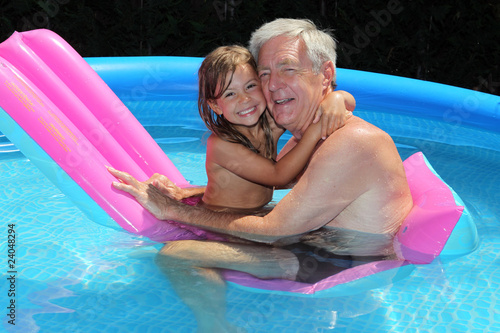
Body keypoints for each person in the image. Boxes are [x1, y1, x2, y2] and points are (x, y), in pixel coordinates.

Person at [109, 18, 413, 333]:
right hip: (314, 240)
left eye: (288, 69)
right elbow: (259, 185)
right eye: (264, 74)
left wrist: (175, 210)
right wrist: (186, 195)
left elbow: (272, 230)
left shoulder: (352, 141)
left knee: (176, 255)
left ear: (326, 75)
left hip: (333, 262)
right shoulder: (313, 129)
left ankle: (216, 327)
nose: (273, 85)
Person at [162, 44, 355, 212]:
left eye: (250, 86)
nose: (244, 99)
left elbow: (347, 103)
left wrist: (337, 98)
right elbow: (277, 176)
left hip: (258, 212)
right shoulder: (222, 145)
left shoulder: (271, 122)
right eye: (230, 94)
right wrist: (313, 133)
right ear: (215, 106)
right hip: (221, 219)